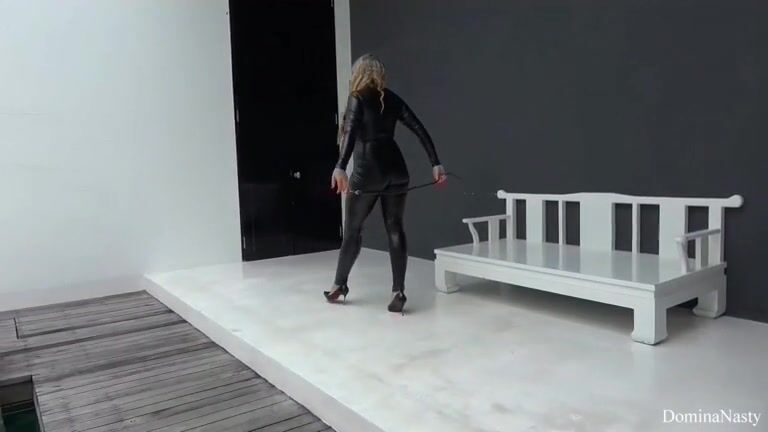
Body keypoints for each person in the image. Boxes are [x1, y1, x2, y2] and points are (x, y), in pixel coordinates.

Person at [325, 54, 446, 314]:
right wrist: (435, 163)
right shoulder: (390, 98)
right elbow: (419, 128)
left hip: (368, 172)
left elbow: (350, 131)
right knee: (395, 227)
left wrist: (340, 166)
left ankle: (339, 285)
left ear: (358, 74)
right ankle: (398, 291)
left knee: (353, 230)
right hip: (397, 170)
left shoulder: (357, 97)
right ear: (379, 73)